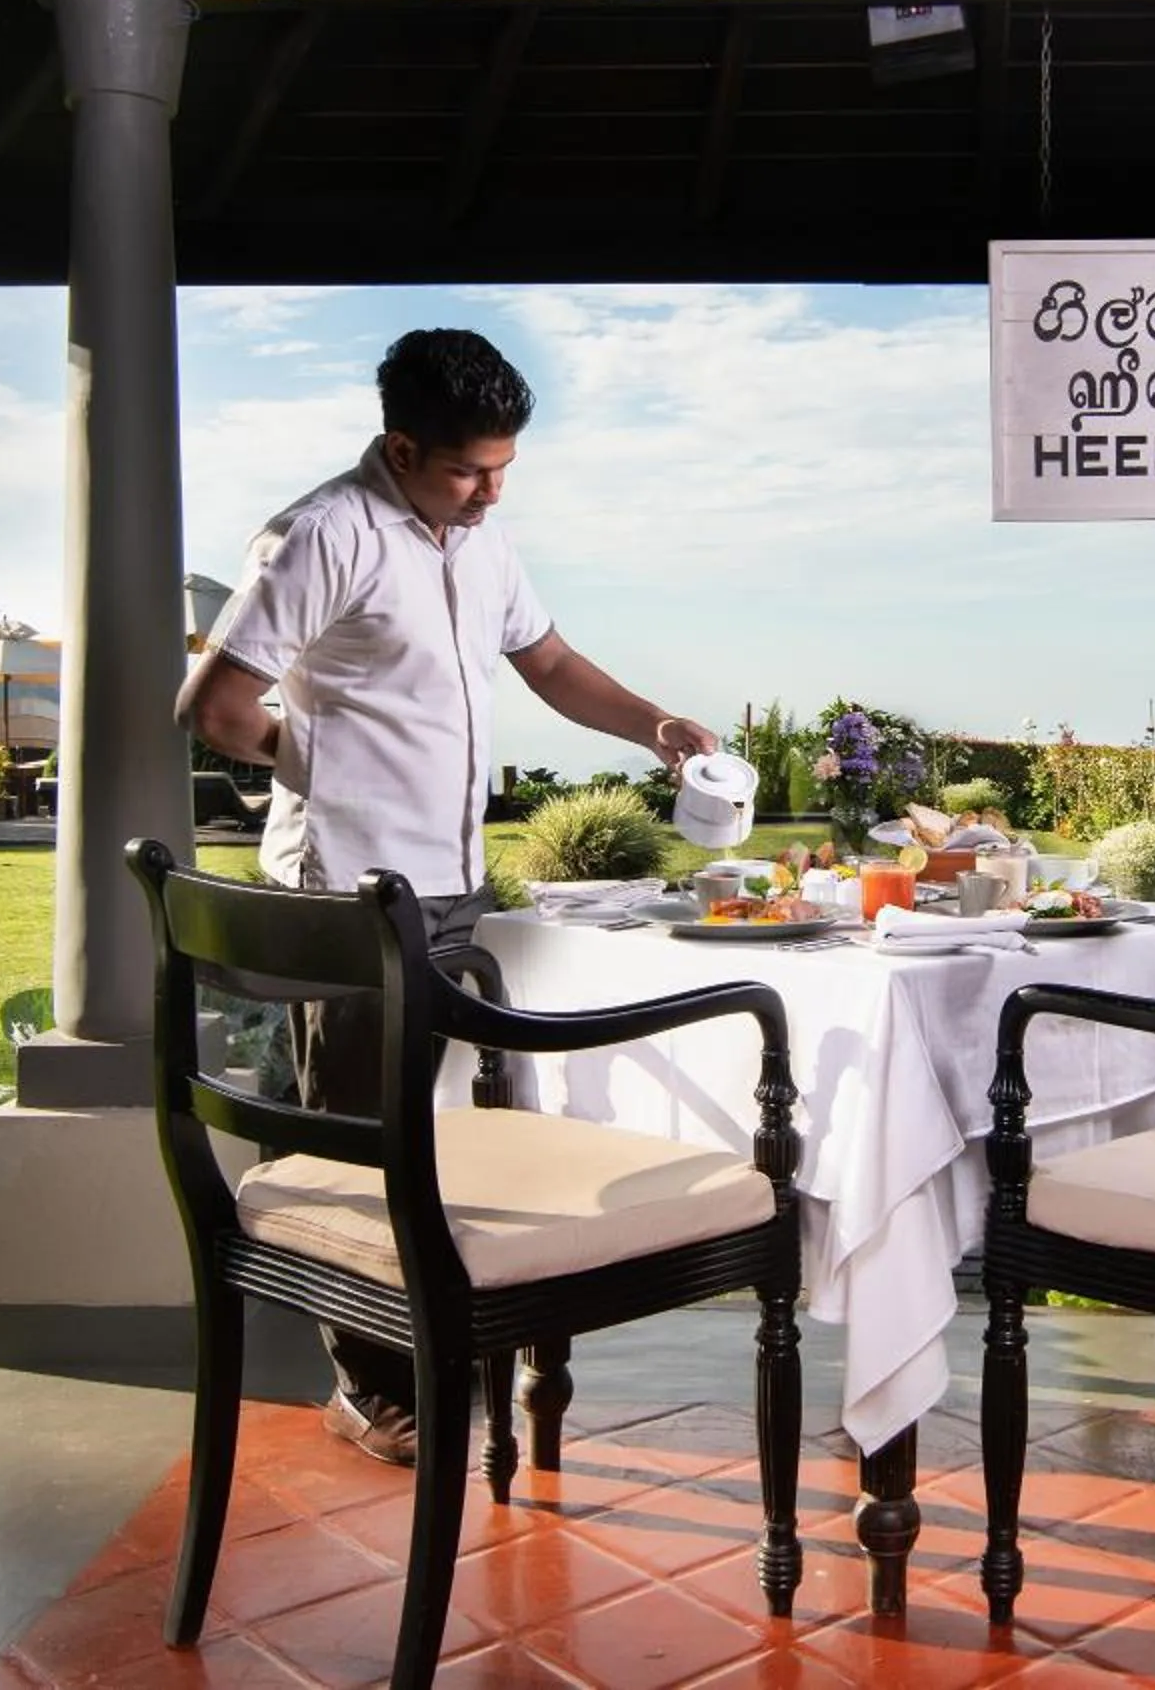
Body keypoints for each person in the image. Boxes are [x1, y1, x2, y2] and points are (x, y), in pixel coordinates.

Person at [176, 327, 719, 1465]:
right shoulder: (320, 536)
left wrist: (653, 724)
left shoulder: (483, 540)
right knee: (353, 1135)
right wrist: (321, 765)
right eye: (468, 471)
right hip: (349, 892)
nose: (486, 494)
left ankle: (442, 1336)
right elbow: (218, 708)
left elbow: (552, 663)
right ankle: (369, 1386)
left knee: (449, 1129)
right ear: (401, 445)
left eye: (502, 471)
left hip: (456, 882)